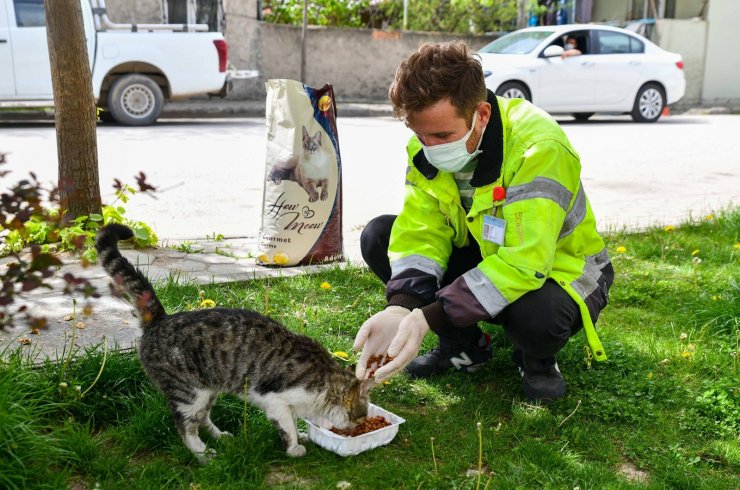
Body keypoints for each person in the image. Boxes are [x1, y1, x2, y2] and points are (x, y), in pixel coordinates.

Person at [353, 41, 613, 403]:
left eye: (442, 136)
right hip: (489, 252)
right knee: (379, 235)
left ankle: (536, 360)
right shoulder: (424, 152)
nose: (429, 147)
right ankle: (465, 347)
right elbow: (420, 233)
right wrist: (401, 305)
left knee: (537, 317)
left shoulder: (539, 147)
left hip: (560, 269)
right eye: (419, 135)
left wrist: (430, 316)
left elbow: (526, 262)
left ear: (483, 114)